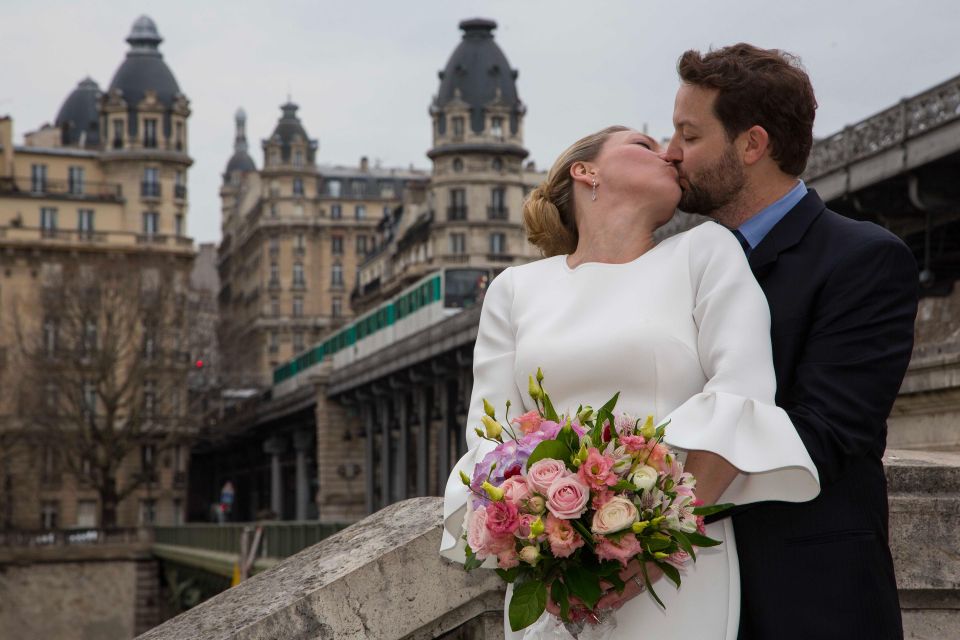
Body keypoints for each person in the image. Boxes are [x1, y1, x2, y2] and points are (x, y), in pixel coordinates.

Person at [440, 125, 820, 639]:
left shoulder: (704, 251)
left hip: (676, 569)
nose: (669, 154)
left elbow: (742, 394)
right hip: (553, 577)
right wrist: (527, 545)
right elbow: (491, 443)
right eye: (643, 145)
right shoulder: (514, 289)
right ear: (586, 171)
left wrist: (655, 550)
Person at [662, 44, 918, 639]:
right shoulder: (673, 268)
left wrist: (652, 498)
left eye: (689, 136)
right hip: (686, 606)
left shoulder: (864, 259)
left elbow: (827, 431)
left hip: (805, 601)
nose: (670, 154)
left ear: (752, 145)